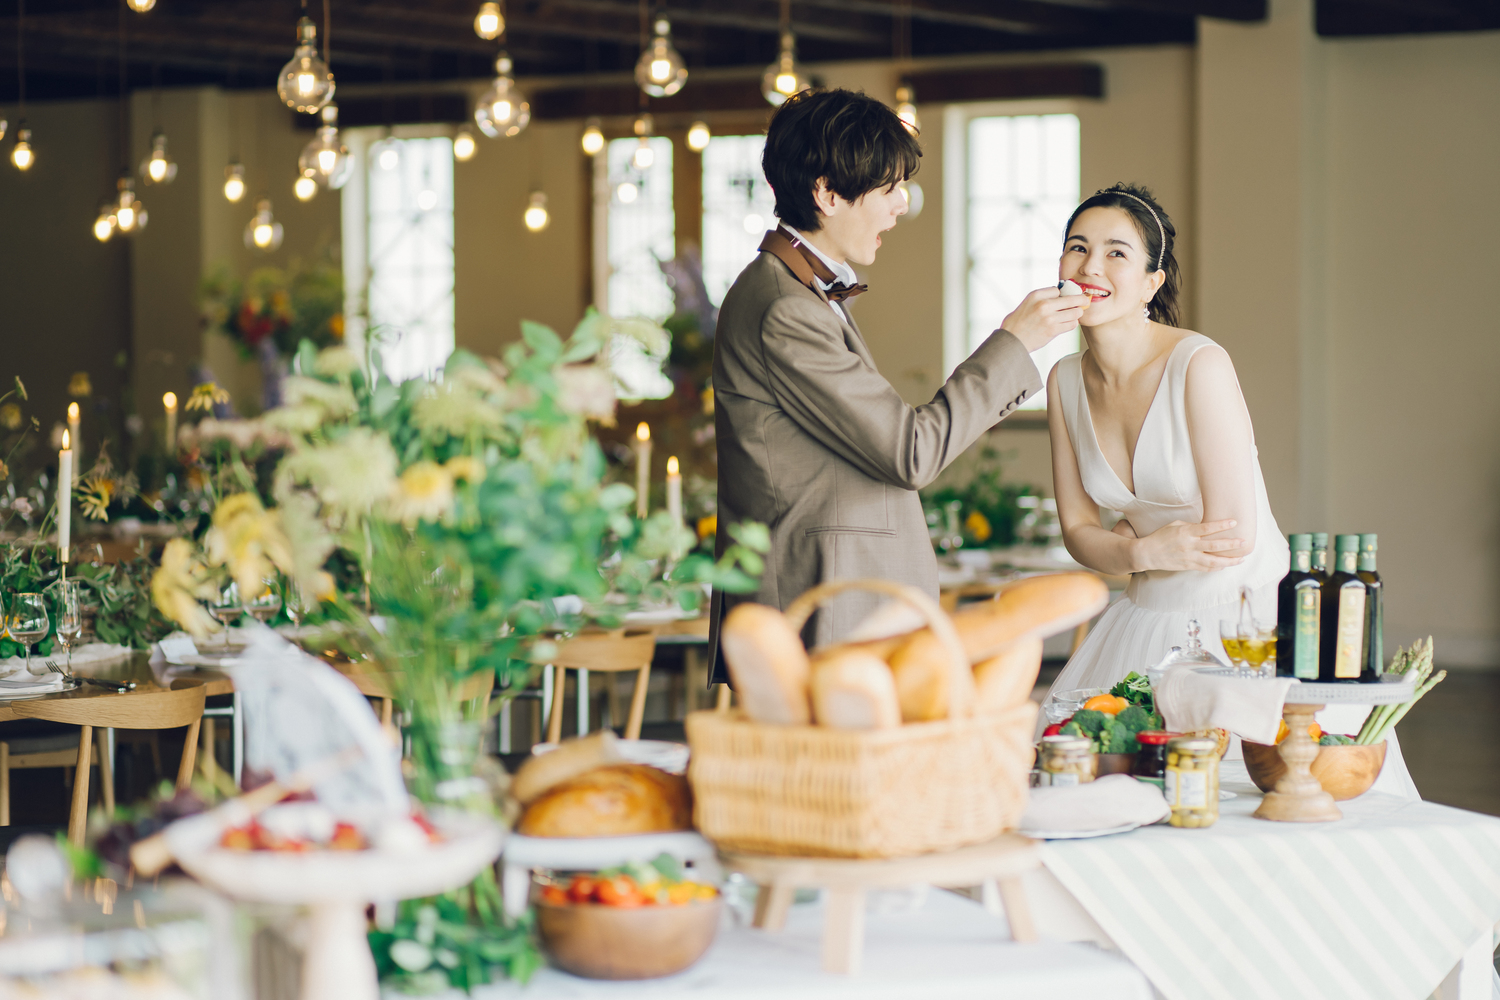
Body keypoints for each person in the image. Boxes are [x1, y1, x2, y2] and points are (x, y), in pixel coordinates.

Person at [1041, 183, 1417, 798]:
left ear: (1152, 282)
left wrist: (1129, 540)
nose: (1090, 267)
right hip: (1142, 617)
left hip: (1243, 624)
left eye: (1116, 253)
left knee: (1268, 790)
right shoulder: (1062, 381)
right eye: (1077, 247)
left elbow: (1232, 536)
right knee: (1120, 792)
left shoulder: (1198, 363)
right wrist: (1140, 550)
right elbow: (1078, 535)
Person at [708, 88, 1083, 680]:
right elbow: (911, 452)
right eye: (888, 189)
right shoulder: (786, 308)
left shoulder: (797, 292)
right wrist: (1016, 341)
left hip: (843, 596)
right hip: (824, 605)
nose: (901, 207)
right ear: (827, 194)